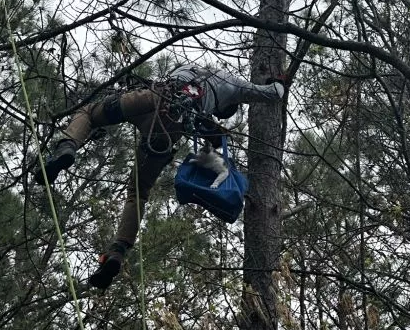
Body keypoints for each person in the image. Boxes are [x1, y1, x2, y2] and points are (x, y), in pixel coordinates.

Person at [34, 64, 285, 289]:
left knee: (90, 113)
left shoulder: (189, 68)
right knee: (138, 190)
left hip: (155, 97)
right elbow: (272, 94)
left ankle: (67, 146)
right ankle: (117, 251)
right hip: (168, 127)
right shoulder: (234, 87)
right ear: (229, 106)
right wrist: (281, 83)